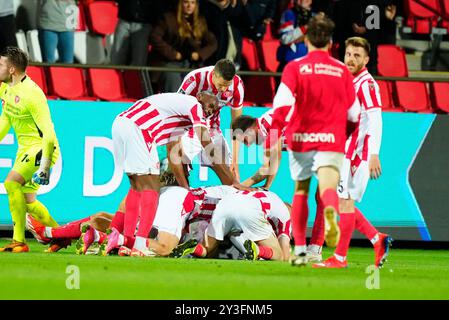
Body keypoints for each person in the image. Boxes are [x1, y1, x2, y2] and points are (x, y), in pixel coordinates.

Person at [269, 15, 361, 266]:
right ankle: (321, 236)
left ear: (307, 39)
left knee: (301, 192)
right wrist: (345, 133)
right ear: (331, 42)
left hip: (301, 138)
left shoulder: (294, 67)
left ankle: (299, 251)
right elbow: (355, 114)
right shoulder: (342, 71)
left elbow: (281, 107)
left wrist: (273, 136)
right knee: (328, 191)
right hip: (331, 138)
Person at [109, 91, 245, 257]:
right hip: (140, 128)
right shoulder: (194, 104)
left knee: (136, 187)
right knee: (152, 188)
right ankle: (138, 245)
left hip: (121, 124)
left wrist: (184, 186)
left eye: (215, 110)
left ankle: (125, 241)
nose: (211, 110)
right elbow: (205, 141)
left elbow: (175, 154)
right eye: (211, 105)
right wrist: (232, 181)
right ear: (201, 96)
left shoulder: (179, 118)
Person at [311, 37, 392, 268]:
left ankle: (343, 255)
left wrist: (374, 153)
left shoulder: (366, 85)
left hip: (354, 155)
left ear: (366, 59)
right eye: (348, 54)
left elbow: (375, 119)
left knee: (336, 200)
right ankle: (375, 241)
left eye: (357, 56)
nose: (351, 59)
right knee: (341, 202)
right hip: (343, 153)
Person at [0, 47, 60, 253]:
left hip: (42, 148)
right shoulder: (5, 88)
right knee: (29, 202)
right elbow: (6, 119)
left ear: (12, 70)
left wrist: (45, 167)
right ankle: (60, 235)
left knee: (11, 183)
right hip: (25, 149)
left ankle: (18, 241)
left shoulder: (33, 95)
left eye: (0, 64)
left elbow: (49, 134)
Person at [171, 189, 291, 262]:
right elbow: (285, 255)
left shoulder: (269, 195)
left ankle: (192, 247)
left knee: (207, 250)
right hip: (249, 209)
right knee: (279, 255)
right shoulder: (286, 215)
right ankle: (258, 251)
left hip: (224, 205)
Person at [179, 58, 244, 181]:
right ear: (214, 73)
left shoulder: (237, 86)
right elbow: (176, 111)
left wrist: (235, 161)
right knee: (176, 173)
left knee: (233, 177)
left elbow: (237, 124)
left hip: (213, 131)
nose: (224, 89)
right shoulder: (195, 79)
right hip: (190, 130)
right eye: (220, 85)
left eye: (227, 85)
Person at [149, 0, 217, 92]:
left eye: (192, 3)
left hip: (190, 64)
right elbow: (154, 37)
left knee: (195, 83)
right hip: (169, 63)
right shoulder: (168, 18)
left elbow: (213, 43)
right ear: (180, 4)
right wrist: (173, 54)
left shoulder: (200, 21)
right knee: (173, 83)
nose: (189, 6)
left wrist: (199, 54)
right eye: (186, 2)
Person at [231, 110, 283, 190]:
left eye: (245, 140)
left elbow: (275, 159)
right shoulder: (264, 125)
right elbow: (267, 168)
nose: (248, 145)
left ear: (248, 129)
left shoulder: (268, 124)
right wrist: (241, 186)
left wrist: (267, 186)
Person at [110, 0, 160, 66]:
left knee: (139, 63)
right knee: (116, 59)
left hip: (144, 24)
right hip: (124, 20)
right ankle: (115, 75)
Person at [277, 0, 314, 72]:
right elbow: (285, 39)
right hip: (291, 61)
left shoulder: (316, 17)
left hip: (311, 63)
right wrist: (305, 28)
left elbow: (327, 41)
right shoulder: (289, 14)